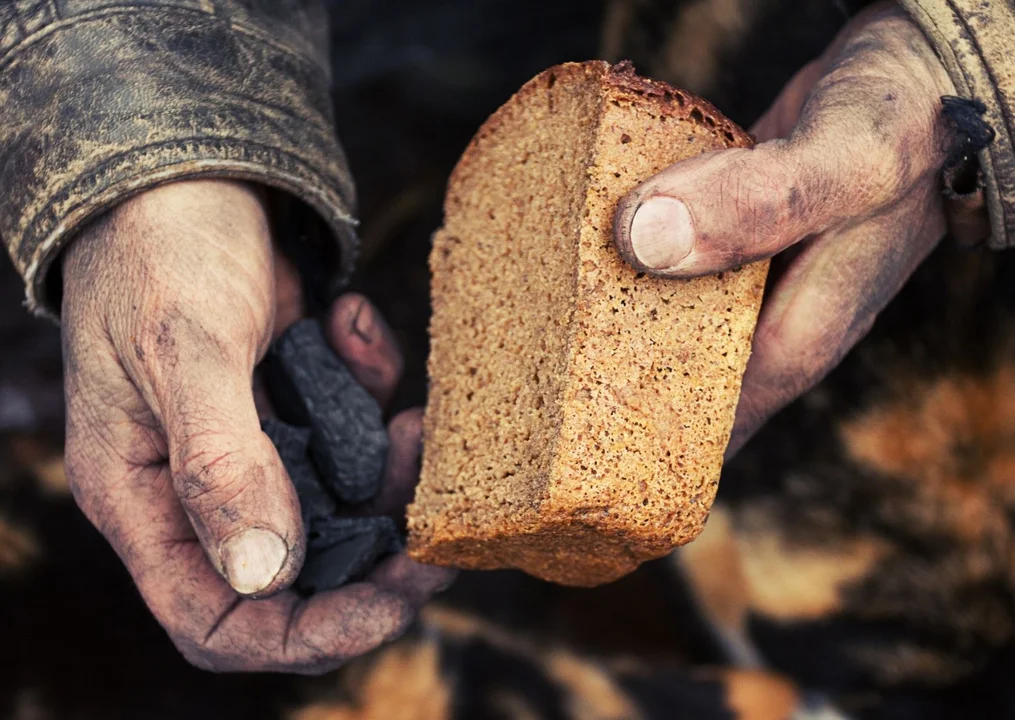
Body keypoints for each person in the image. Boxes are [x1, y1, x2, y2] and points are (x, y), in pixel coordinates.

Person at [0, 0, 1009, 674]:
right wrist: (154, 153)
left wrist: (974, 58)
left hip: (940, 395)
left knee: (872, 638)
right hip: (328, 121)